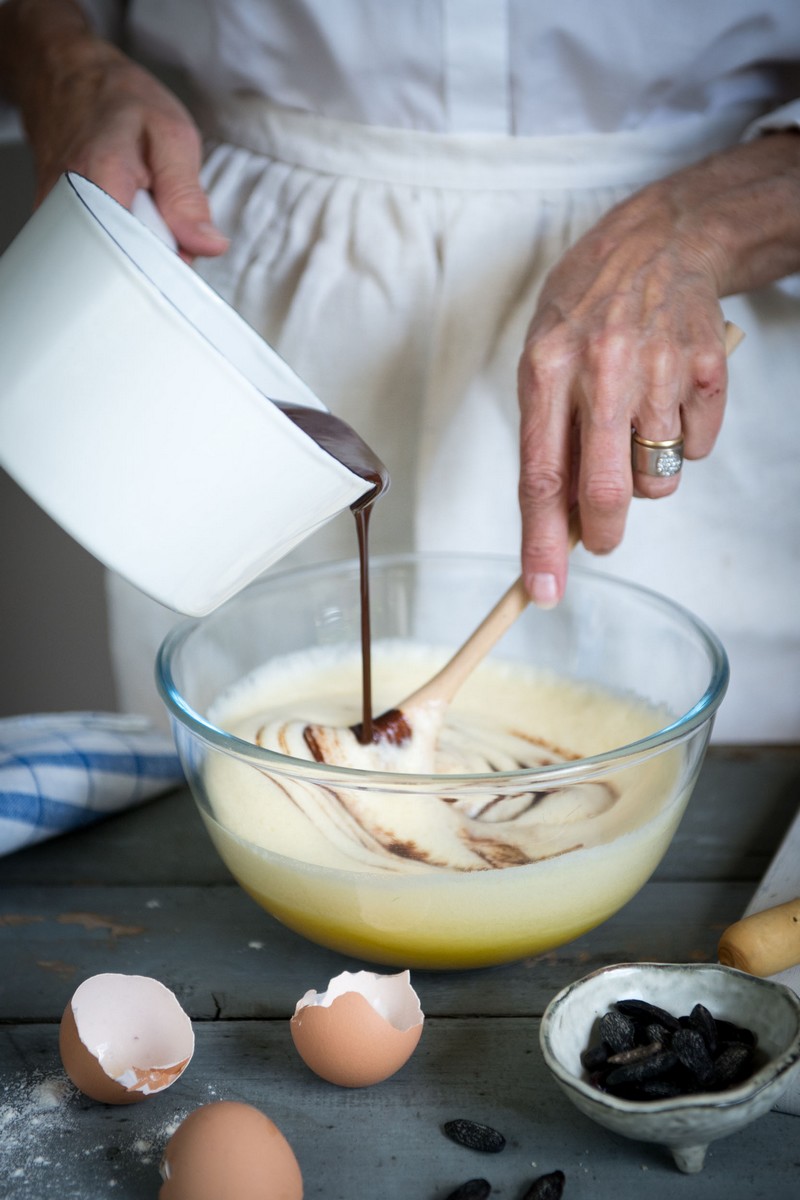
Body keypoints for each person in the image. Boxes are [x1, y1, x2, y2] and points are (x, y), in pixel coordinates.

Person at [1, 0, 799, 741]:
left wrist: (703, 229)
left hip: (678, 316)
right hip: (236, 265)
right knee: (215, 732)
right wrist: (59, 64)